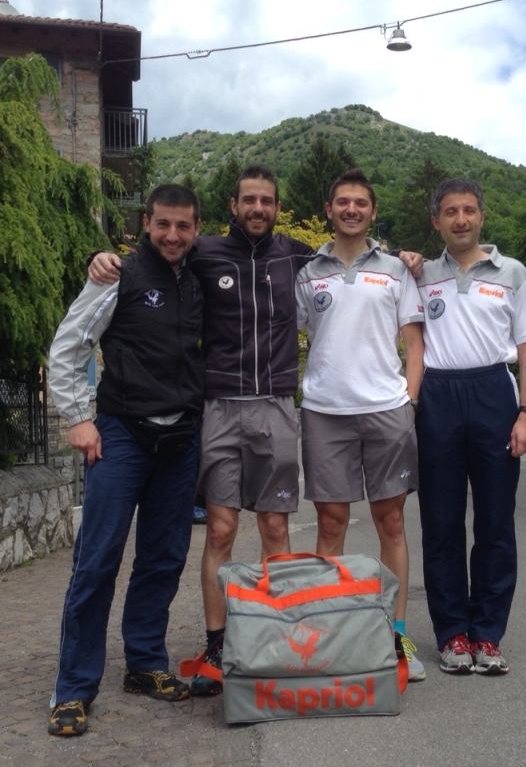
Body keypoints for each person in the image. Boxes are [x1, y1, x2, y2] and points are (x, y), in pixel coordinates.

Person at [88, 165, 425, 696]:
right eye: (249, 199)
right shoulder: (202, 251)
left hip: (275, 406)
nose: (258, 208)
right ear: (233, 204)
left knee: (274, 531)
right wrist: (104, 257)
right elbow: (157, 258)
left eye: (267, 200)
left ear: (277, 206)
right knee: (220, 530)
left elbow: (353, 248)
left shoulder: (298, 256)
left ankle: (280, 636)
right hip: (218, 404)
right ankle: (218, 642)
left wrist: (406, 256)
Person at [46, 184, 205, 736]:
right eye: (163, 224)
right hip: (119, 437)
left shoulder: (200, 278)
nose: (173, 236)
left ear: (197, 229)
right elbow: (69, 346)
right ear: (146, 222)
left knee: (163, 560)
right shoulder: (118, 275)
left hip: (181, 442)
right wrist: (77, 417)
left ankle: (143, 663)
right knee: (97, 562)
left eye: (184, 226)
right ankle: (72, 689)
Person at [414, 178, 526, 676]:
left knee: (495, 524)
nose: (461, 220)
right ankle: (452, 634)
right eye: (450, 212)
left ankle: (488, 635)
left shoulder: (513, 273)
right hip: (439, 397)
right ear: (437, 221)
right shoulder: (421, 275)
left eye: (469, 210)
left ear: (482, 216)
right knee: (442, 524)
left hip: (495, 393)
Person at [294, 169, 426, 681]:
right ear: (329, 209)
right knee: (330, 525)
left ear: (372, 211)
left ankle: (397, 639)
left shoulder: (397, 270)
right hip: (325, 412)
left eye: (361, 203)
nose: (352, 209)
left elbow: (414, 345)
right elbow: (290, 334)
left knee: (389, 523)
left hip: (386, 411)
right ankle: (330, 638)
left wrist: (408, 404)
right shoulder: (308, 273)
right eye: (342, 201)